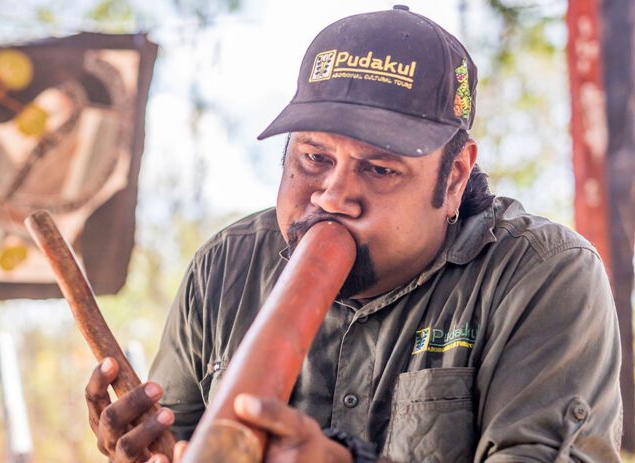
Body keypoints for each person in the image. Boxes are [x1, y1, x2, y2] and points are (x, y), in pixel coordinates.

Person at [83, 5, 624, 463]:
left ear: (454, 176)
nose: (332, 196)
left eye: (380, 169)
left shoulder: (542, 274)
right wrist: (148, 452)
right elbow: (179, 444)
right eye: (314, 157)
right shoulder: (225, 268)